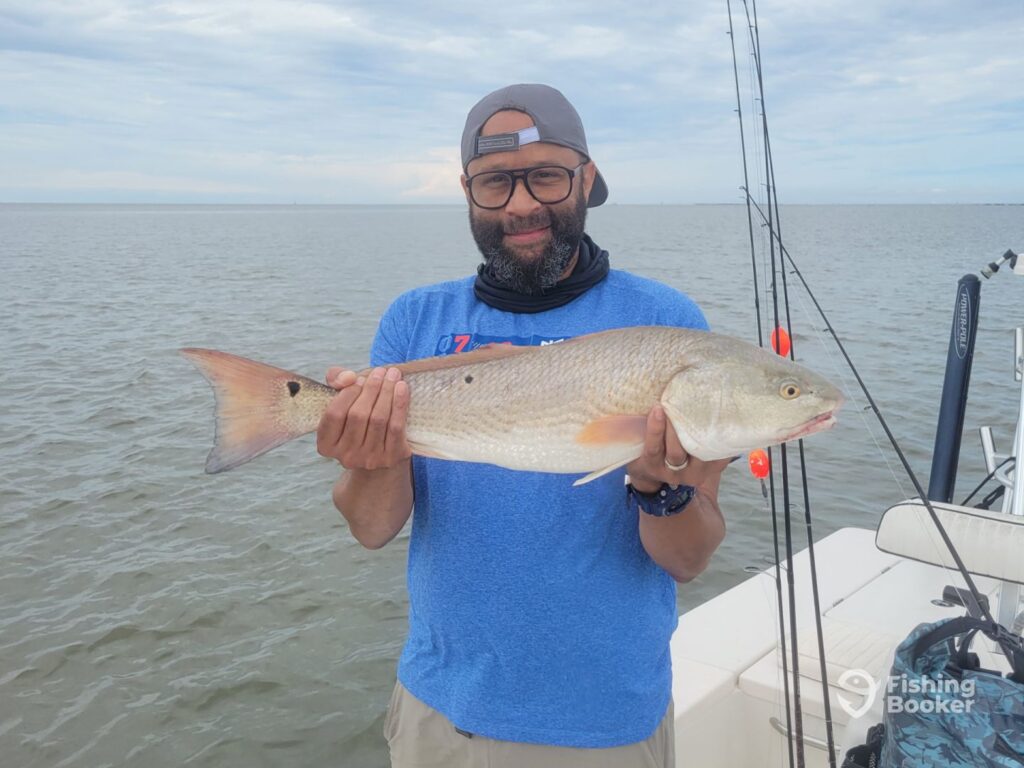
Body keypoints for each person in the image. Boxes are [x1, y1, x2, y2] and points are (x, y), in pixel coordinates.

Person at [316, 84, 730, 768]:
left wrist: (661, 486)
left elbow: (687, 558)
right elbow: (371, 527)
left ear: (587, 179)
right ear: (466, 190)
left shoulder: (667, 327)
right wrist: (372, 457)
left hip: (603, 726)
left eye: (544, 176)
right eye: (494, 183)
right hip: (436, 713)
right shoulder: (413, 321)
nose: (521, 205)